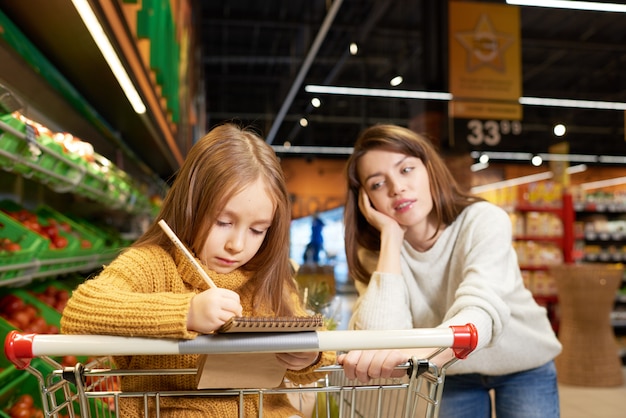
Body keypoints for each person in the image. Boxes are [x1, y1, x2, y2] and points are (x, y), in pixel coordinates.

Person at [60, 123, 335, 417]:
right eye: (223, 222)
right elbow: (79, 312)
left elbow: (312, 359)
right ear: (191, 206)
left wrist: (309, 356)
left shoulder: (266, 277)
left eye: (257, 230)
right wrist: (187, 312)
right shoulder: (152, 264)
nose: (237, 245)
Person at [337, 124, 562, 418]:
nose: (397, 188)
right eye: (378, 184)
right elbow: (381, 338)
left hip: (522, 363)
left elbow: (481, 307)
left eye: (406, 170)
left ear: (430, 169)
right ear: (366, 200)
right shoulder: (378, 253)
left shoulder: (484, 220)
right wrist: (391, 237)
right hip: (450, 369)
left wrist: (417, 353)